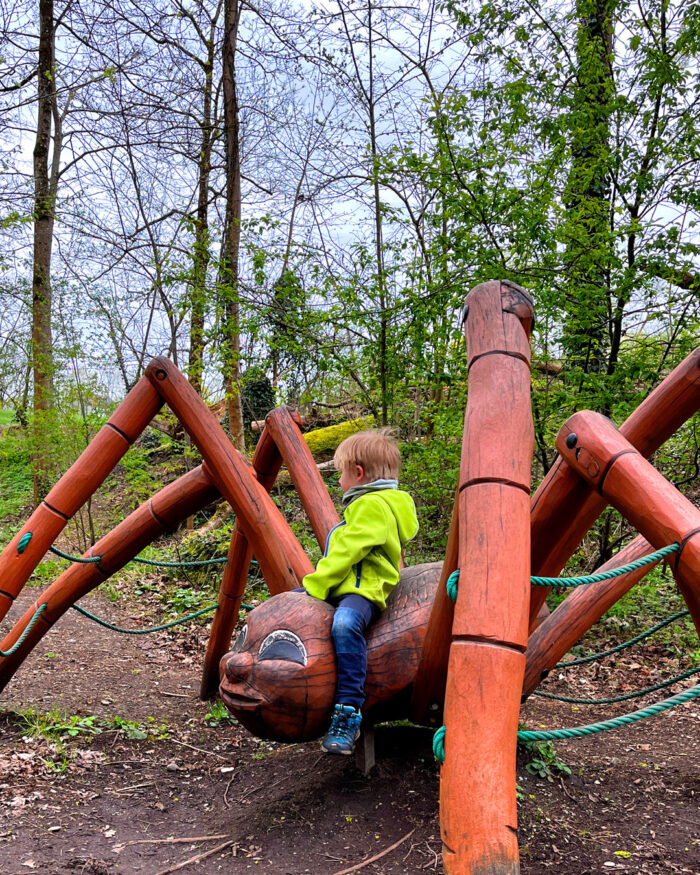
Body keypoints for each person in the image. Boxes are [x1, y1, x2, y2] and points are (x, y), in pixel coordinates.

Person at [302, 428, 418, 754]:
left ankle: (348, 710)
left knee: (344, 625)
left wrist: (316, 584)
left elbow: (347, 553)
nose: (338, 481)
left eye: (340, 474)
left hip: (362, 590)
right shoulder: (373, 504)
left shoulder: (372, 506)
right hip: (350, 585)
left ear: (358, 473)